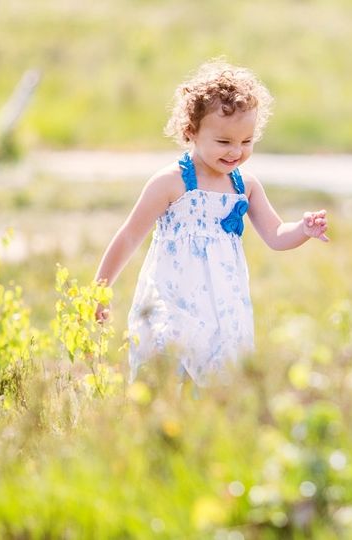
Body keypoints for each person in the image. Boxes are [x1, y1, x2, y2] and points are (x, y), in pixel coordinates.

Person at [93, 61, 329, 387]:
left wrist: (303, 229)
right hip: (172, 303)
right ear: (191, 131)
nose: (236, 152)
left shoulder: (244, 186)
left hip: (223, 311)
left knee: (216, 384)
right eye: (224, 142)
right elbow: (130, 235)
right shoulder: (171, 183)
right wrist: (99, 289)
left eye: (246, 142)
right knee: (163, 374)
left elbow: (275, 234)